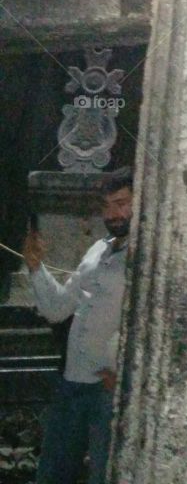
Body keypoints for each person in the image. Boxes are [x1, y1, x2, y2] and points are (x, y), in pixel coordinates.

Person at [21, 168, 133, 484]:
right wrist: (35, 266)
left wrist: (123, 373)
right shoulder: (98, 250)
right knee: (53, 473)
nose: (113, 213)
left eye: (122, 203)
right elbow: (57, 309)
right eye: (107, 205)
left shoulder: (147, 255)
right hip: (71, 381)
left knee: (102, 473)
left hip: (108, 387)